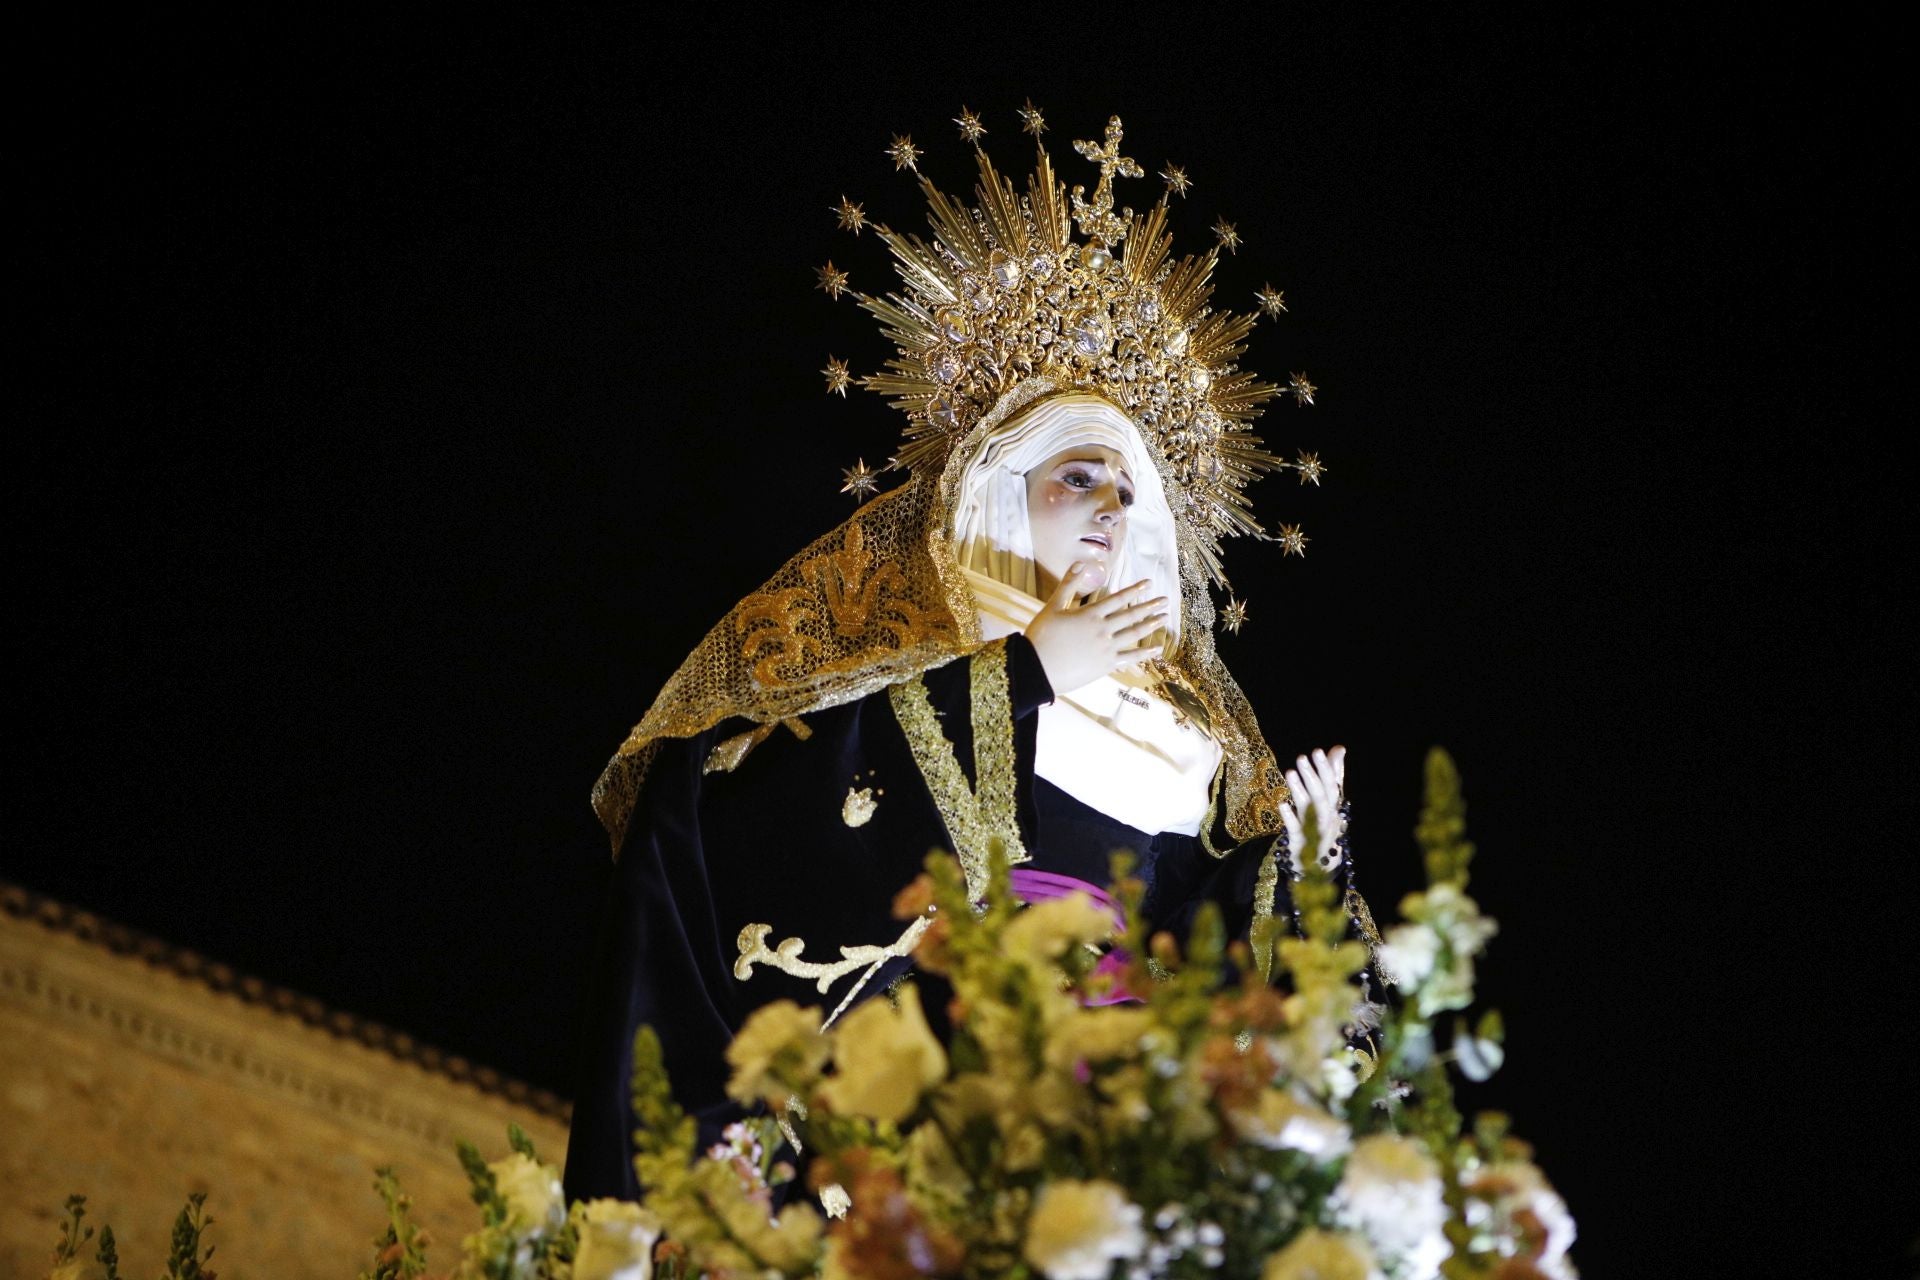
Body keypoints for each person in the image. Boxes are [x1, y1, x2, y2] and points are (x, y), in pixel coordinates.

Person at [563, 113, 1381, 1202]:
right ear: (1004, 485)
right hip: (933, 1108)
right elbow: (723, 817)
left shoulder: (1192, 741)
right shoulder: (888, 657)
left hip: (1112, 1144)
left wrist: (1302, 871)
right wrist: (1027, 671)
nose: (1110, 508)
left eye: (1130, 494)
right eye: (1079, 475)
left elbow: (1213, 951)